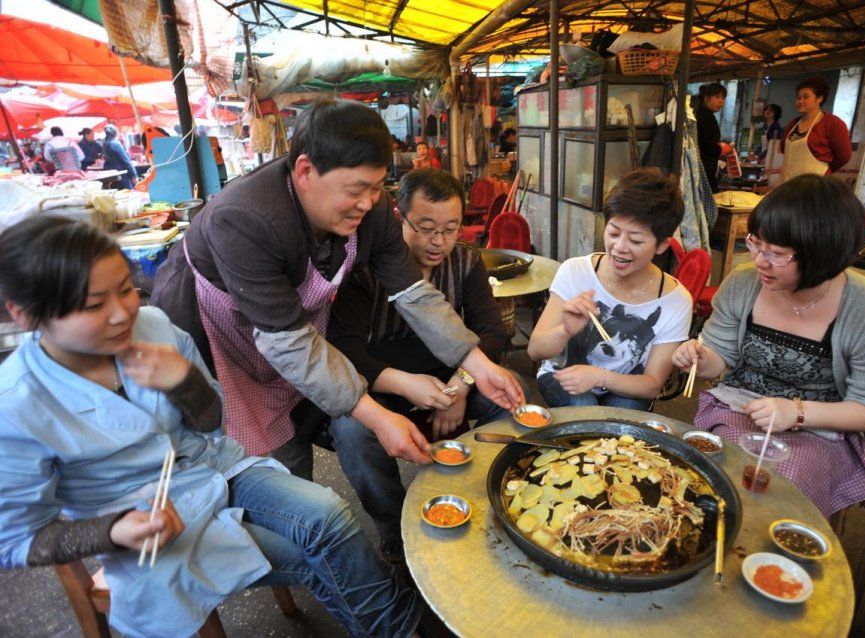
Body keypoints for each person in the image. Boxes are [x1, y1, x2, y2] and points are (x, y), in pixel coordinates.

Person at [0, 216, 422, 638]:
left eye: (125, 290)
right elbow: (16, 542)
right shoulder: (17, 403)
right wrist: (112, 530)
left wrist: (184, 382)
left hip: (215, 467)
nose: (121, 314)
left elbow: (212, 425)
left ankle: (395, 628)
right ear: (25, 314)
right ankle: (401, 628)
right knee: (320, 554)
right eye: (94, 305)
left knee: (330, 517)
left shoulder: (154, 326)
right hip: (148, 524)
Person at [151, 99, 522, 487]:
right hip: (222, 333)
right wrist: (378, 418)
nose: (368, 202)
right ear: (306, 171)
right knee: (255, 463)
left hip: (290, 336)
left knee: (293, 427)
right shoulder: (245, 219)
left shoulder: (372, 211)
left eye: (377, 188)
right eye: (356, 190)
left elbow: (415, 294)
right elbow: (290, 346)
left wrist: (477, 366)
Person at [671, 174, 865, 518]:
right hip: (741, 409)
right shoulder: (743, 284)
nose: (759, 261)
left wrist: (796, 412)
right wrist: (698, 357)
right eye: (756, 243)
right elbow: (719, 360)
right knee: (707, 468)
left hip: (823, 429)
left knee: (777, 482)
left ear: (821, 255)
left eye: (777, 254)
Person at [327, 169, 509, 558]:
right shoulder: (365, 271)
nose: (438, 242)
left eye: (450, 228)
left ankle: (486, 493)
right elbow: (344, 348)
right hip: (386, 385)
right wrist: (406, 384)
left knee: (509, 396)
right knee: (351, 430)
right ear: (399, 216)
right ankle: (393, 525)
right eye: (425, 227)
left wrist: (461, 386)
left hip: (450, 379)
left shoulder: (466, 262)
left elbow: (493, 333)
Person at [528, 168, 692, 410]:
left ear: (662, 245)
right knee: (585, 409)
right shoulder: (576, 272)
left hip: (625, 385)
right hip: (563, 373)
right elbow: (535, 351)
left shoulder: (675, 301)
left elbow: (652, 384)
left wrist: (599, 377)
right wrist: (565, 330)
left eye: (635, 240)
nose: (619, 247)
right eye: (613, 232)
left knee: (622, 417)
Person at [779, 77, 852, 182]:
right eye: (798, 98)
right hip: (788, 183)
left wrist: (825, 170)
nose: (800, 101)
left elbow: (844, 156)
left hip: (816, 185)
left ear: (819, 98)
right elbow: (783, 150)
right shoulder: (792, 124)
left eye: (805, 97)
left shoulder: (833, 123)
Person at [695, 83, 727, 193]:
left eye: (723, 98)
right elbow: (708, 146)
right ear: (706, 99)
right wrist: (722, 149)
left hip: (701, 167)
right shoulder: (706, 117)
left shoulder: (702, 113)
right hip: (703, 168)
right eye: (717, 97)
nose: (721, 101)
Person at [102, 124, 138, 189]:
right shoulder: (115, 144)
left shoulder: (105, 144)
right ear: (115, 132)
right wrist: (134, 175)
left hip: (111, 176)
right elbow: (126, 160)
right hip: (122, 174)